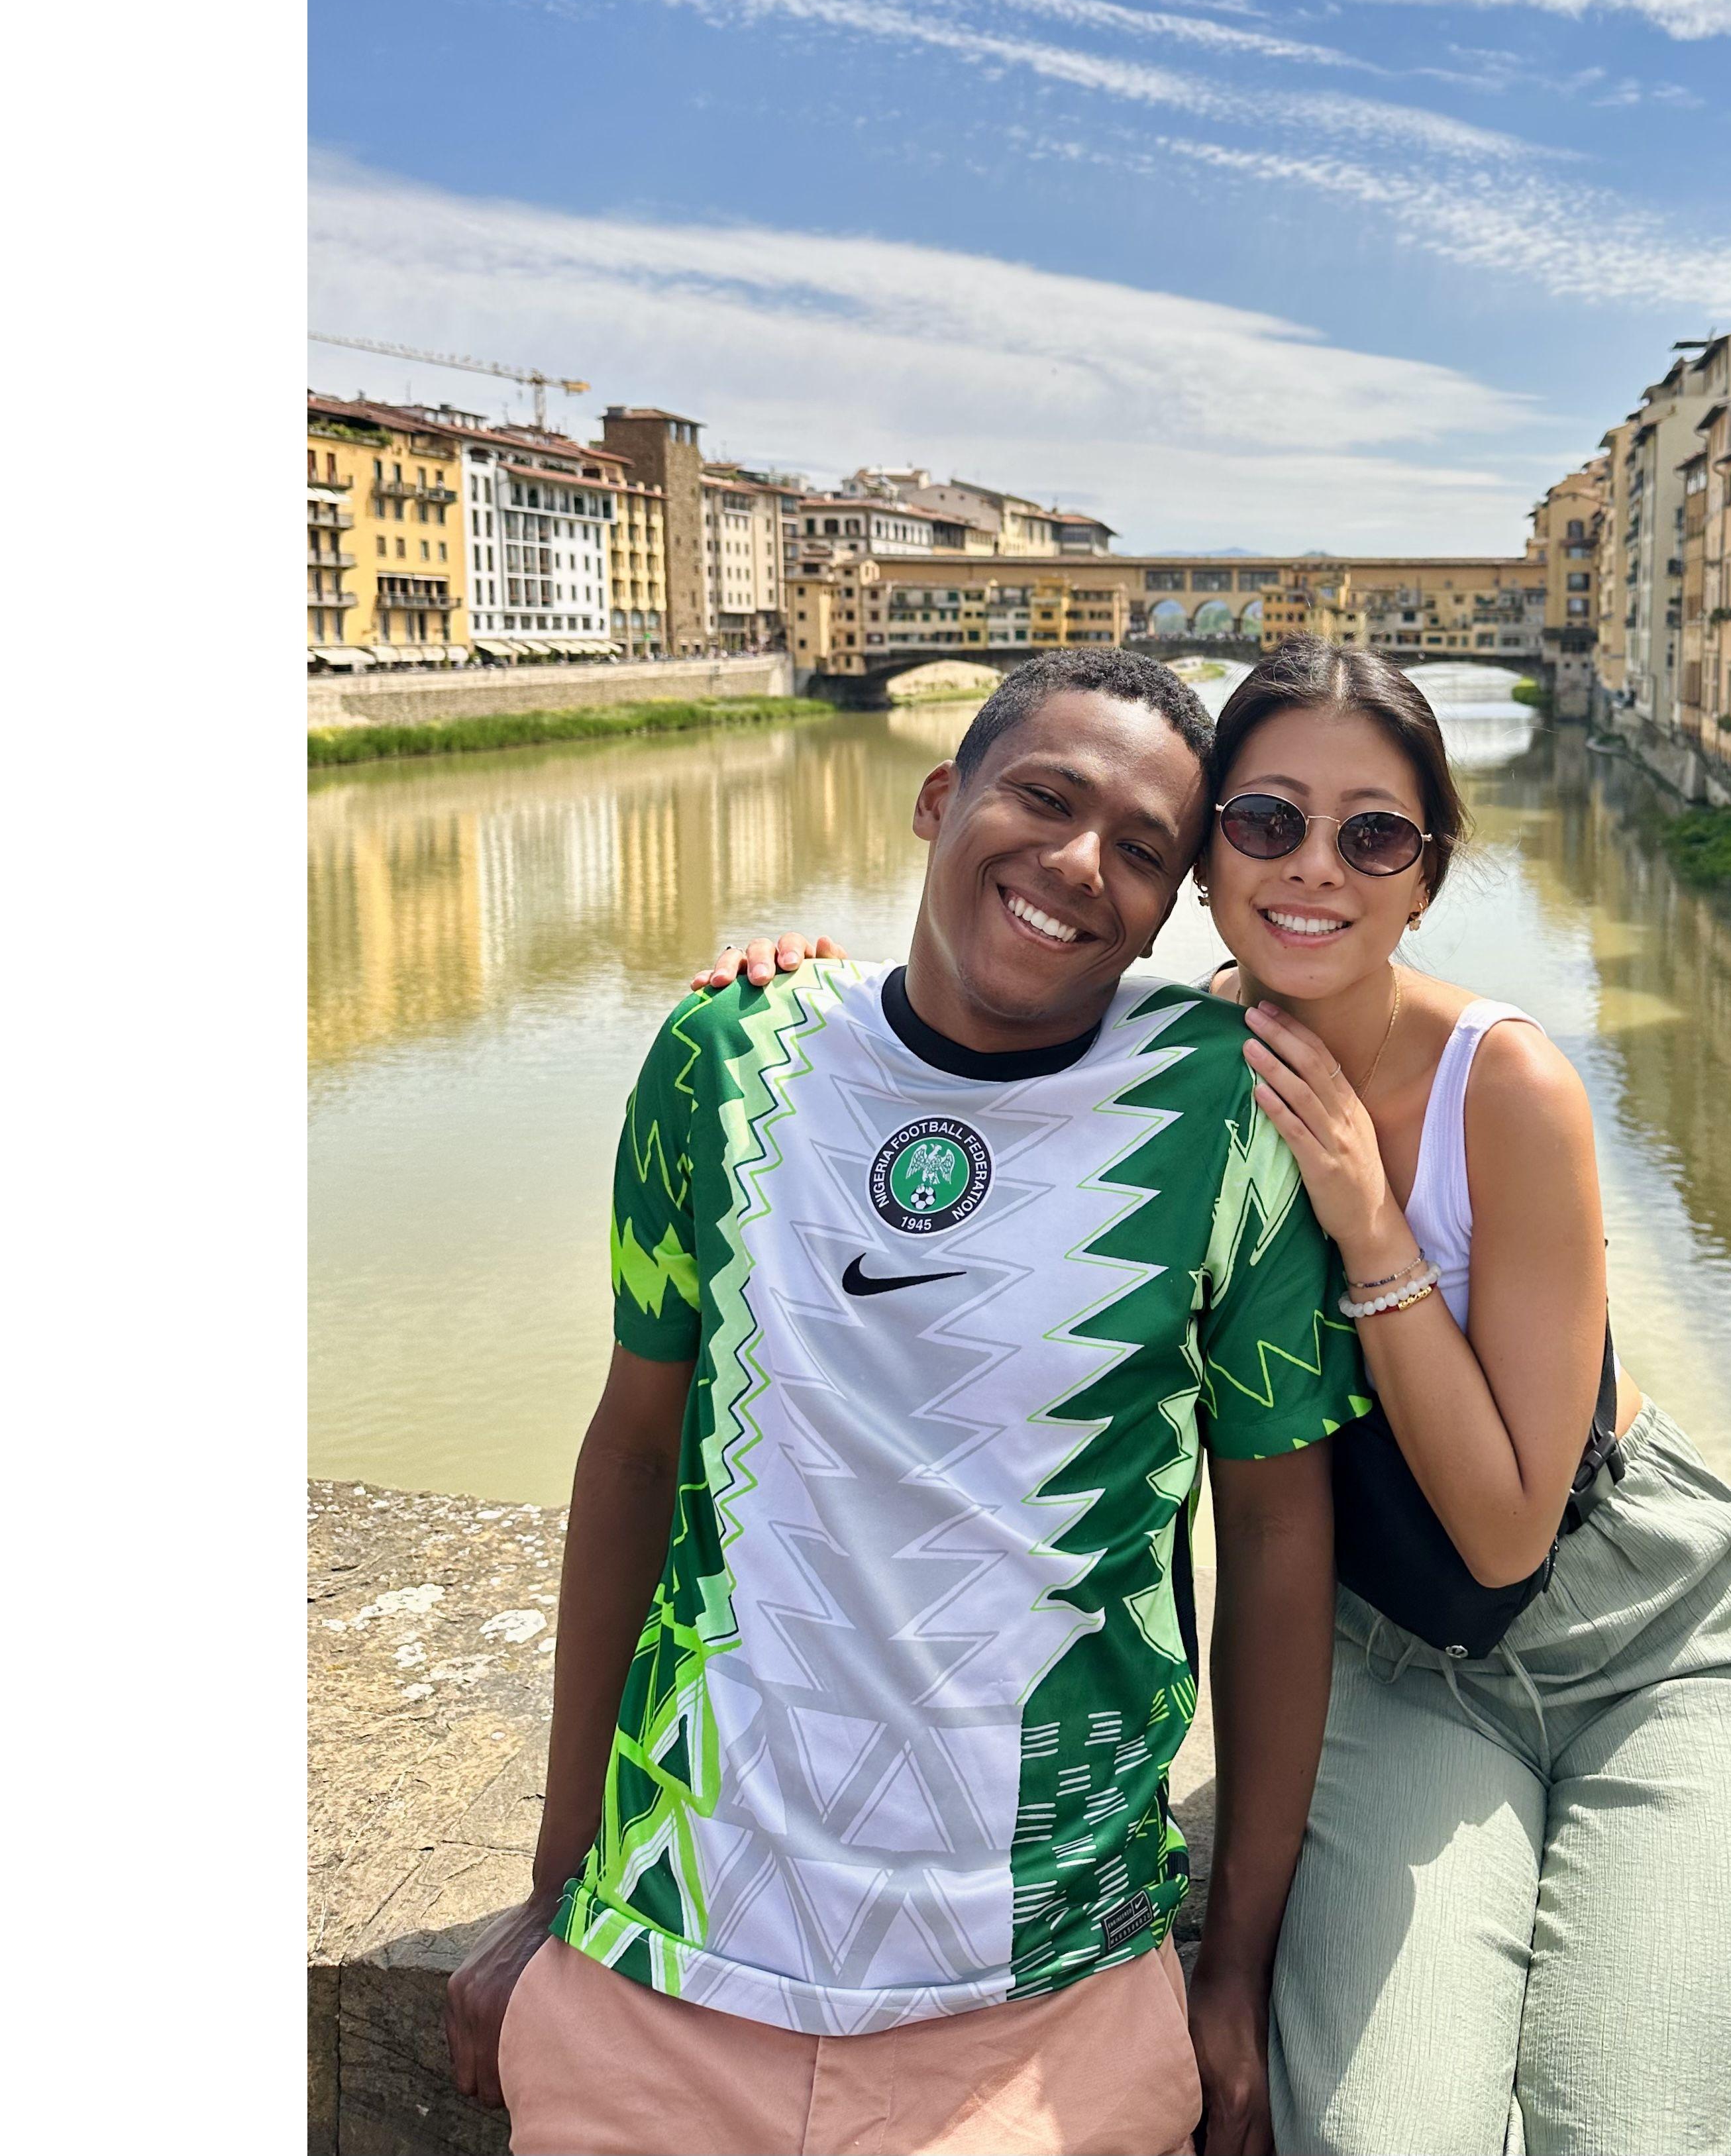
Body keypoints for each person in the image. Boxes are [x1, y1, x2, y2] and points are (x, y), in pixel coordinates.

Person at [723, 639, 1731, 2156]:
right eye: (1264, 823)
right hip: (1391, 1653)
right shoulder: (1166, 1060)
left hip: (1641, 1639)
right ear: (1202, 862)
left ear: (1426, 875)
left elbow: (1508, 1536)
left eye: (1374, 834)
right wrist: (801, 994)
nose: (1315, 868)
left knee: (1650, 2131)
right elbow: (972, 1005)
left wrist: (1372, 1225)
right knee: (1373, 2137)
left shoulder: (1510, 1086)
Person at [446, 646, 1372, 2156]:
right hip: (664, 1970)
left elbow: (1278, 1544)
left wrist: (1233, 1973)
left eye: (1143, 851)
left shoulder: (1223, 1111)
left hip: (1045, 2005)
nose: (1079, 865)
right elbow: (631, 1454)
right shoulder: (722, 1055)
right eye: (1043, 799)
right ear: (941, 799)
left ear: (1172, 905)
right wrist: (557, 1891)